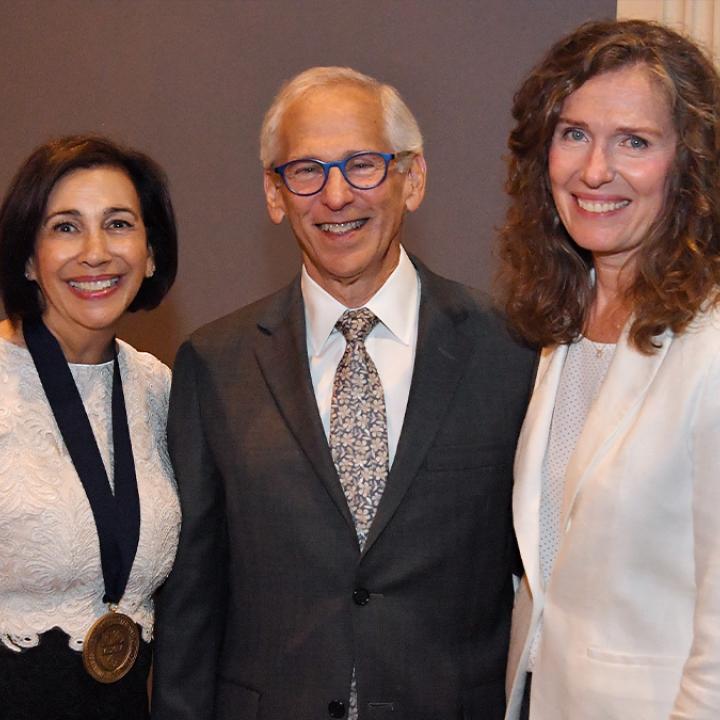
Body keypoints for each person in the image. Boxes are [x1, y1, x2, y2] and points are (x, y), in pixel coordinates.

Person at [152, 66, 536, 720]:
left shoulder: (512, 353)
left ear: (412, 179)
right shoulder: (214, 364)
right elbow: (192, 603)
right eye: (305, 170)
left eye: (363, 165)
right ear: (275, 194)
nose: (335, 196)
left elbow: (543, 586)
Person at [498, 19, 720, 720]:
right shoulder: (563, 326)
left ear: (691, 165)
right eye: (574, 134)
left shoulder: (711, 345)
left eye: (635, 142)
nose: (595, 171)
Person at [0, 135, 181, 720]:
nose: (97, 252)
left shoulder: (160, 389)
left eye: (119, 224)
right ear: (28, 257)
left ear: (150, 252)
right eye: (66, 227)